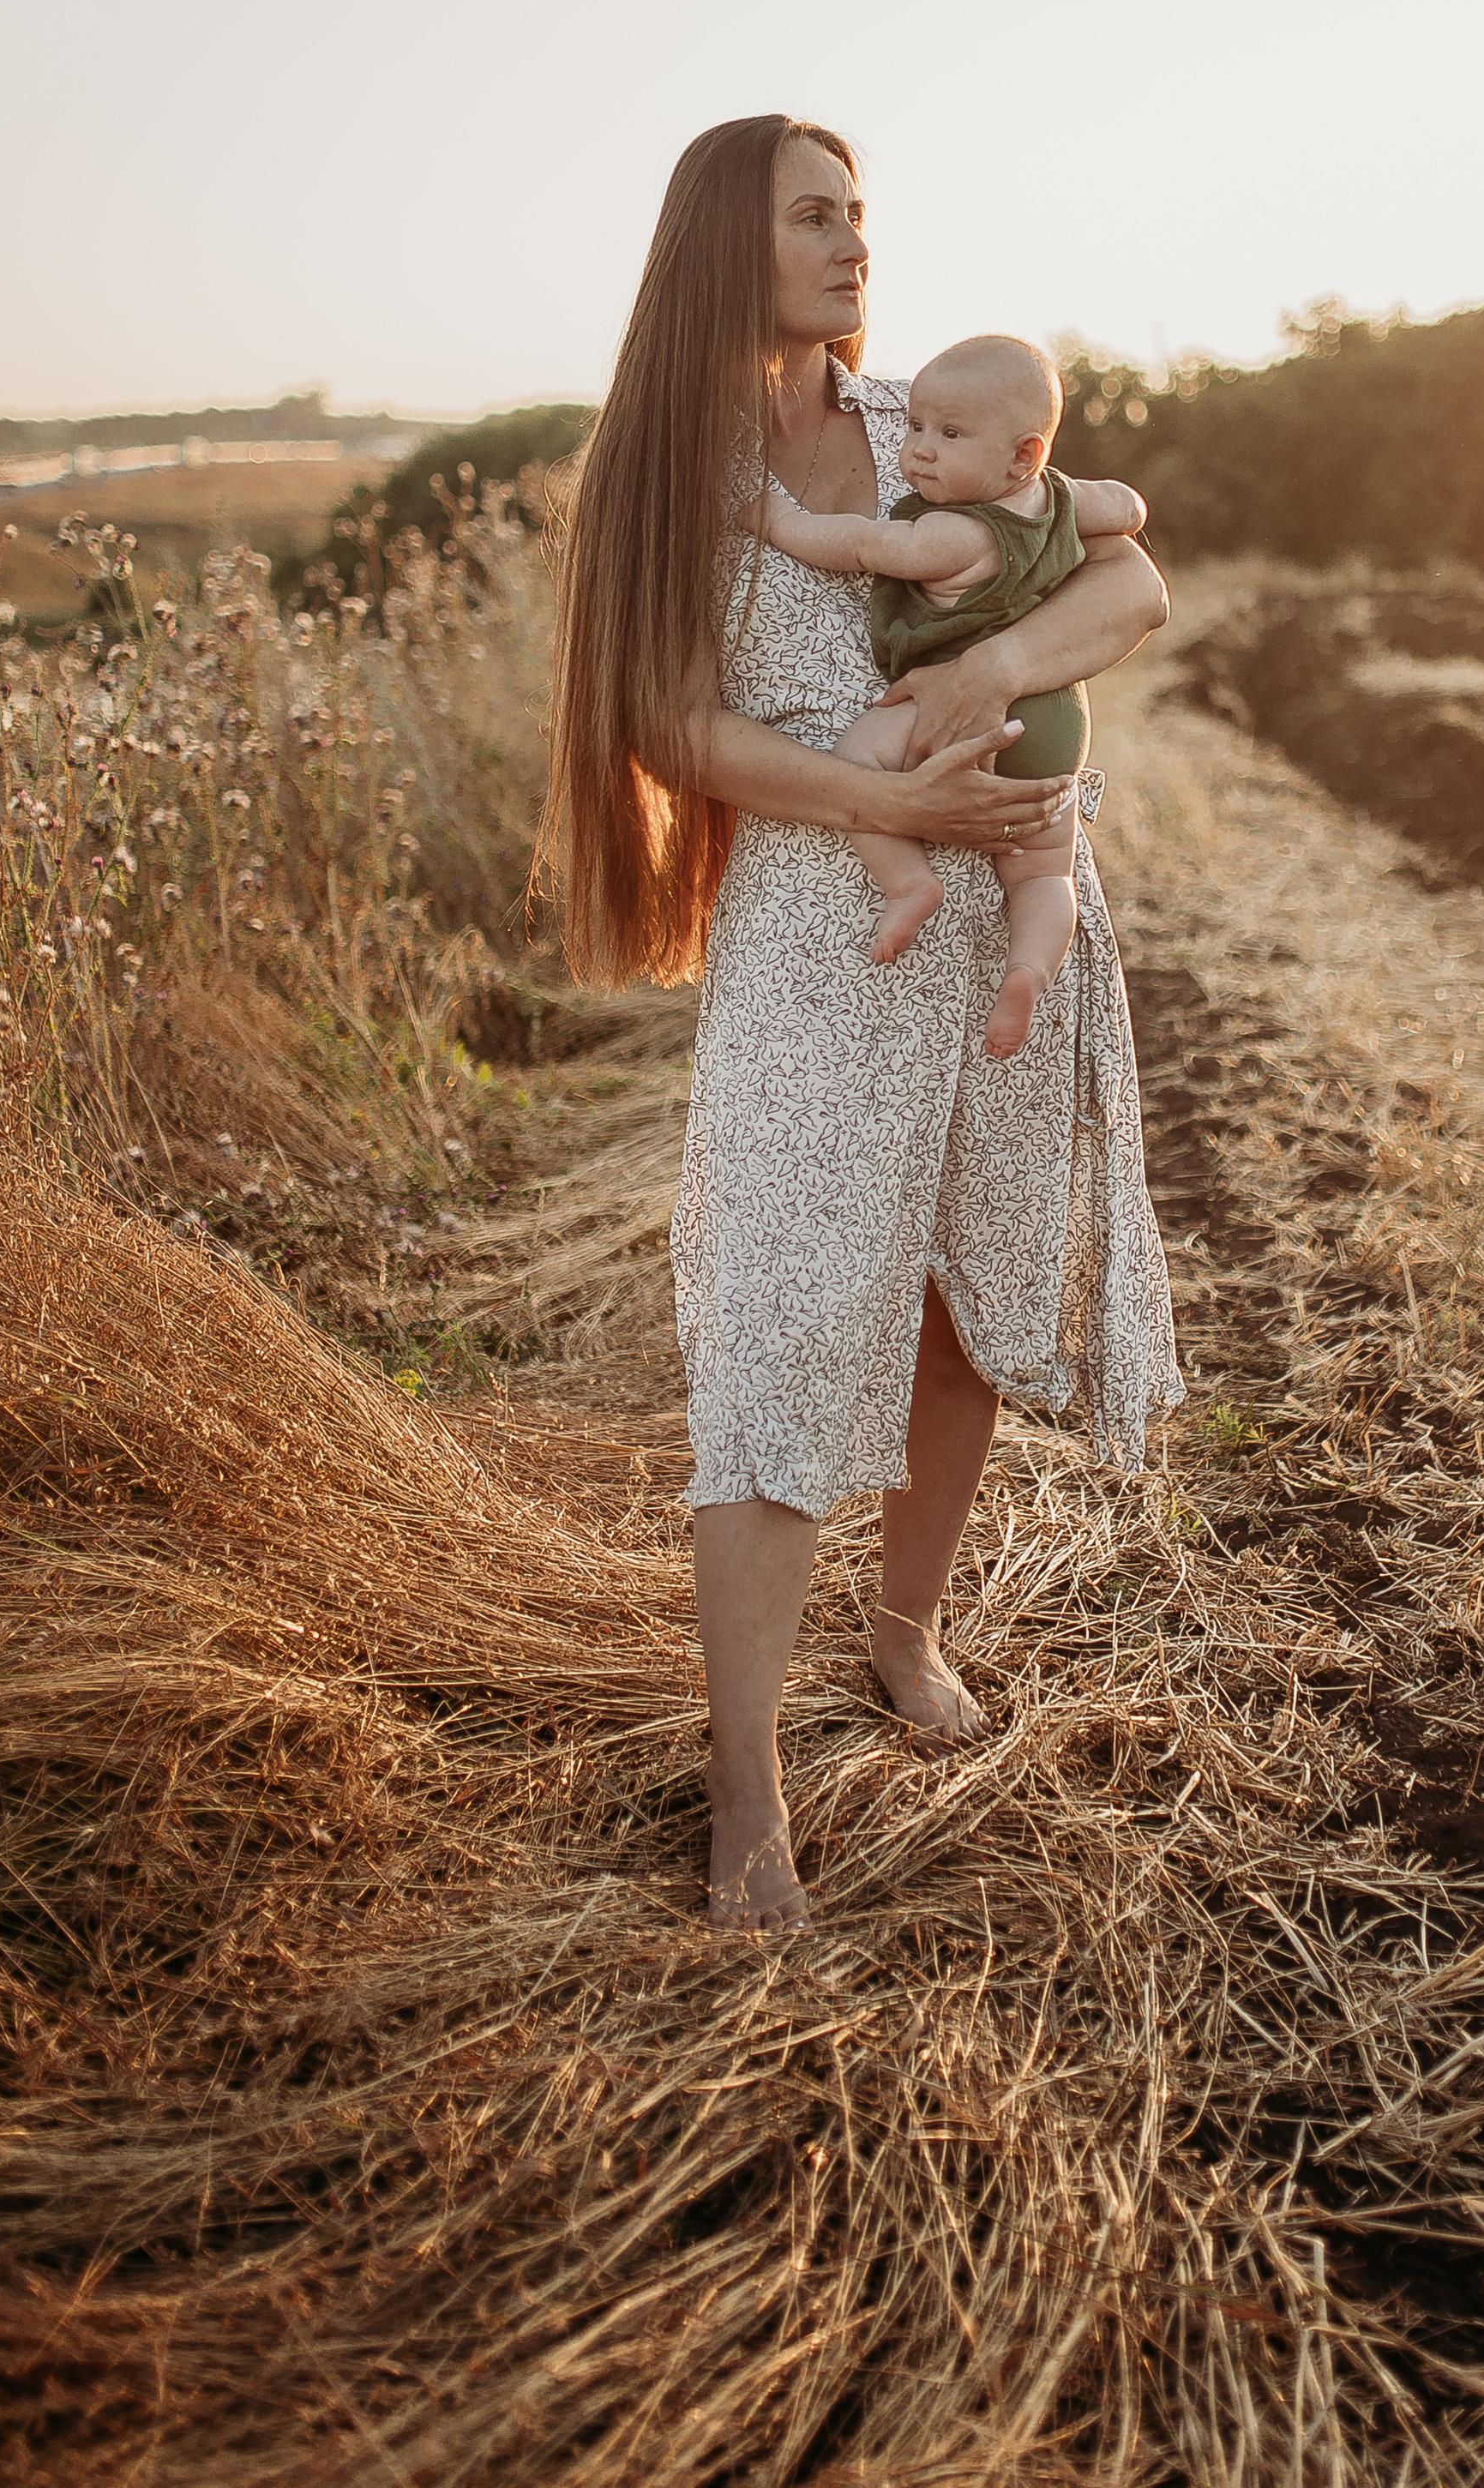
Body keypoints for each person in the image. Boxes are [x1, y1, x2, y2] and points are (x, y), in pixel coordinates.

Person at [538, 115, 1181, 1932]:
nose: (851, 243)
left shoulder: (930, 421)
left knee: (964, 1304)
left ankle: (901, 1638)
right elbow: (672, 729)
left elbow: (1130, 582)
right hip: (831, 939)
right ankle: (745, 1789)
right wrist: (879, 804)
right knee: (780, 1336)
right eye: (811, 217)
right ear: (719, 249)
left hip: (1008, 921)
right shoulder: (667, 473)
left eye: (857, 213)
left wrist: (988, 672)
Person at [746, 330, 1149, 1059]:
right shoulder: (1057, 501)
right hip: (1055, 725)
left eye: (951, 434)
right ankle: (1027, 969)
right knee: (1042, 870)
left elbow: (862, 546)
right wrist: (1119, 504)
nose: (922, 449)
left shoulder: (951, 536)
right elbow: (1122, 506)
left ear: (1022, 453)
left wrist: (780, 521)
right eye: (916, 427)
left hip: (967, 719)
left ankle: (908, 884)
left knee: (858, 756)